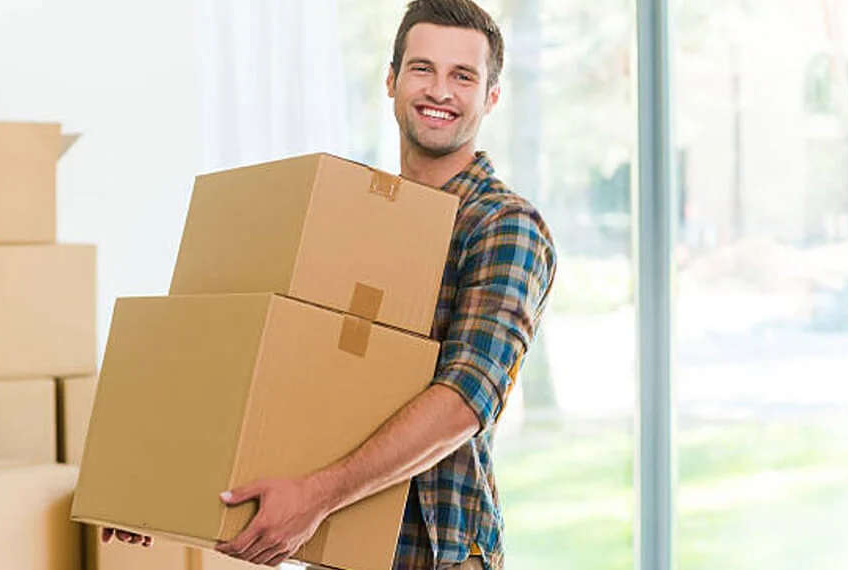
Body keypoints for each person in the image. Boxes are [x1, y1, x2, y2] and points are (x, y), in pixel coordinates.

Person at [105, 1, 556, 568]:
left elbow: (468, 398)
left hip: (433, 554)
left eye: (462, 76)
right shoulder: (358, 218)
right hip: (345, 549)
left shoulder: (504, 224)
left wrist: (316, 498)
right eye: (422, 69)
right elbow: (281, 365)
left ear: (491, 97)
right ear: (391, 82)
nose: (439, 90)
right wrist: (161, 488)